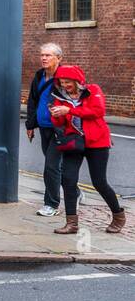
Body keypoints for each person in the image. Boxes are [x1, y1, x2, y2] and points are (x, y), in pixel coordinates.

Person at [48, 65, 125, 235]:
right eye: (61, 82)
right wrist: (56, 116)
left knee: (99, 182)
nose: (65, 85)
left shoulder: (93, 90)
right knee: (68, 180)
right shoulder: (59, 96)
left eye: (68, 82)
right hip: (74, 142)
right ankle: (71, 224)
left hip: (97, 142)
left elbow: (98, 111)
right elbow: (59, 124)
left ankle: (118, 215)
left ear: (77, 80)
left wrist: (70, 110)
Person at [25, 42, 64, 216]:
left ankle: (52, 204)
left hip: (60, 129)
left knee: (51, 167)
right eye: (42, 55)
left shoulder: (65, 77)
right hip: (44, 128)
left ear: (59, 58)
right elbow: (33, 100)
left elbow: (78, 98)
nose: (44, 58)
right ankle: (76, 193)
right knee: (53, 167)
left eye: (48, 55)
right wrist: (31, 125)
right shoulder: (39, 75)